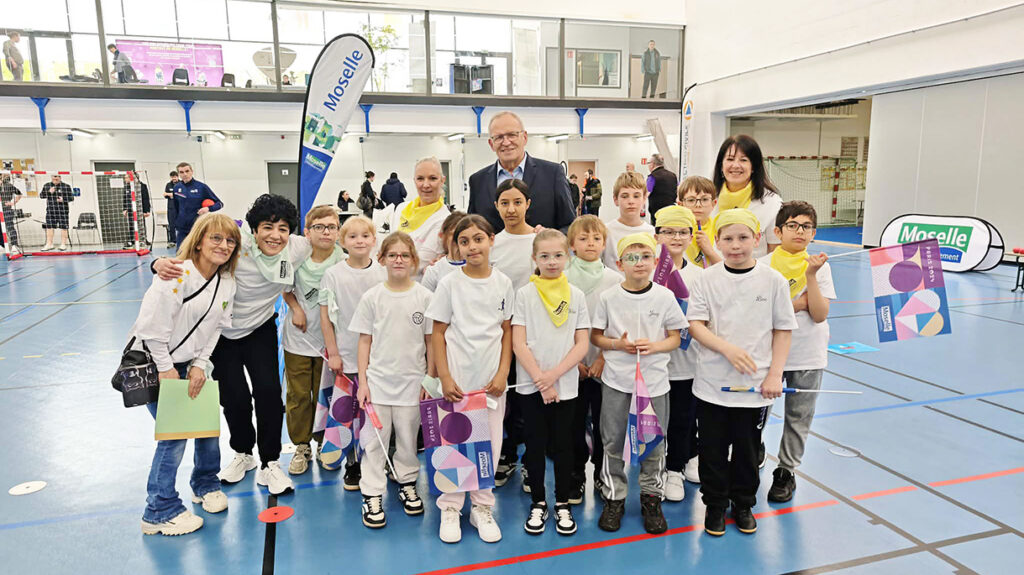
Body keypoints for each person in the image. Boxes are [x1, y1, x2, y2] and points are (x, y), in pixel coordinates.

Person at [154, 195, 311, 496]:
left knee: (268, 393)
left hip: (261, 328)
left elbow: (333, 247)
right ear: (253, 229)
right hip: (220, 333)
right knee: (235, 398)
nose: (275, 235)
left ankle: (270, 461)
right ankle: (243, 454)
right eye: (267, 227)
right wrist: (157, 262)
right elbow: (195, 253)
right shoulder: (236, 243)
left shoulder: (297, 248)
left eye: (283, 229)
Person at [686, 208, 797, 537]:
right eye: (728, 238)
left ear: (758, 239)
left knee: (749, 449)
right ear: (717, 241)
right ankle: (716, 505)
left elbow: (783, 330)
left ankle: (744, 502)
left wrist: (774, 374)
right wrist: (727, 349)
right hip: (711, 385)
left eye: (743, 237)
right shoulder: (707, 279)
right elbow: (696, 325)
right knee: (712, 449)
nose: (736, 245)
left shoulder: (772, 280)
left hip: (755, 388)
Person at [131, 212, 239, 536]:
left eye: (230, 240)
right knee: (174, 436)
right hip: (158, 363)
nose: (223, 245)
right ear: (200, 240)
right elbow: (151, 329)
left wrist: (199, 365)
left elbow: (216, 328)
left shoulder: (227, 282)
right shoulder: (175, 275)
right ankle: (158, 510)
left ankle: (205, 483)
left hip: (193, 363)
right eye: (216, 238)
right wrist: (166, 369)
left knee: (207, 427)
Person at [426, 215, 514, 544]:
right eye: (465, 241)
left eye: (478, 239)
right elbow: (438, 332)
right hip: (458, 383)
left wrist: (503, 371)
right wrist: (444, 376)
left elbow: (506, 332)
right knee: (454, 444)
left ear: (491, 240)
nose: (472, 246)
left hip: (490, 382)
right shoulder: (450, 283)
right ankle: (451, 507)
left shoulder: (503, 283)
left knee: (489, 445)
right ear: (457, 246)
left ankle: (482, 506)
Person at [590, 233, 685, 535]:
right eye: (631, 257)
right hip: (617, 383)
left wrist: (654, 347)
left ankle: (651, 497)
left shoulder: (664, 296)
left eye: (645, 256)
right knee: (613, 440)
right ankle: (614, 497)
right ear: (619, 264)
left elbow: (675, 337)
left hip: (655, 385)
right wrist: (618, 345)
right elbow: (596, 336)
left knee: (654, 444)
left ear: (655, 261)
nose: (639, 262)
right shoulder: (608, 298)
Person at [351, 232, 433, 528]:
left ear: (414, 261)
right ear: (382, 259)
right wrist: (363, 381)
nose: (399, 260)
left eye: (405, 255)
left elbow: (432, 342)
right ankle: (372, 492)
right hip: (378, 385)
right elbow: (364, 342)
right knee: (374, 442)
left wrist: (430, 378)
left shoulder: (425, 297)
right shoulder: (372, 297)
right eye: (393, 255)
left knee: (409, 440)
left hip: (412, 384)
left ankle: (407, 481)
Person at [513, 229, 590, 536]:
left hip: (565, 386)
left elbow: (581, 343)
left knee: (563, 445)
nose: (552, 261)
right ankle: (539, 503)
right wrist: (541, 381)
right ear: (534, 259)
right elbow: (519, 343)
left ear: (567, 256)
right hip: (531, 387)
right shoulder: (524, 294)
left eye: (558, 255)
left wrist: (554, 376)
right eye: (544, 256)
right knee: (534, 444)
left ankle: (561, 503)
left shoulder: (577, 296)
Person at [760, 201, 834, 504]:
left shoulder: (820, 266)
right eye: (792, 225)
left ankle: (786, 471)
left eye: (805, 226)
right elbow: (762, 314)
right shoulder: (762, 266)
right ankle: (752, 458)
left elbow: (818, 313)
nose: (799, 231)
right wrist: (796, 304)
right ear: (778, 231)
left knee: (799, 415)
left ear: (813, 233)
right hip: (768, 354)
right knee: (758, 414)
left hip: (808, 353)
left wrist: (812, 278)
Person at [319, 215, 386, 488]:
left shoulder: (382, 272)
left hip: (380, 357)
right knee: (350, 413)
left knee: (375, 411)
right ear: (341, 241)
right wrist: (333, 352)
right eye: (352, 236)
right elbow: (325, 316)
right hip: (346, 355)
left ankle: (378, 458)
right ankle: (353, 462)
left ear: (374, 240)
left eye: (365, 235)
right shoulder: (333, 275)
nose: (359, 241)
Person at [281, 206, 345, 476]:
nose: (325, 232)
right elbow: (285, 289)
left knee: (325, 395)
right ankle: (301, 446)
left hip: (330, 344)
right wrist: (296, 309)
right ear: (307, 232)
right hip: (298, 339)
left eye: (331, 227)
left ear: (338, 231)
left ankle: (323, 443)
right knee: (298, 395)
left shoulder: (344, 259)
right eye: (319, 227)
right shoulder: (295, 257)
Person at [565, 215, 623, 504]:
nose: (590, 243)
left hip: (604, 367)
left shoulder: (615, 279)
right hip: (571, 368)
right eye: (583, 238)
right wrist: (572, 361)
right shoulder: (560, 277)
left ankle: (601, 473)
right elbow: (557, 325)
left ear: (604, 243)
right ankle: (576, 475)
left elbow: (617, 323)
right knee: (573, 425)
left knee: (605, 425)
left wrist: (602, 357)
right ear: (572, 244)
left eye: (596, 239)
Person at [653, 205, 704, 502]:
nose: (675, 237)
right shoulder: (645, 271)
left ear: (691, 236)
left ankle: (676, 469)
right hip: (653, 363)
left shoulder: (700, 276)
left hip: (686, 363)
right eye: (668, 231)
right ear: (656, 234)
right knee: (656, 422)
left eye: (682, 231)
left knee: (683, 418)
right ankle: (657, 469)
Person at [489, 179, 536, 489]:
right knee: (502, 399)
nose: (511, 209)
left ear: (527, 204)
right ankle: (504, 455)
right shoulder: (492, 243)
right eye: (505, 203)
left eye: (517, 202)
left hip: (535, 333)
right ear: (496, 206)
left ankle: (531, 461)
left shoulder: (542, 239)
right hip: (500, 334)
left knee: (529, 402)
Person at [468, 111, 575, 232]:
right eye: (498, 137)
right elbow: (472, 228)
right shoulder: (477, 181)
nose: (506, 142)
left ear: (524, 137)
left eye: (512, 135)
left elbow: (570, 226)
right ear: (491, 144)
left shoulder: (552, 174)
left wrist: (550, 237)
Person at [711, 135, 783, 258]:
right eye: (730, 159)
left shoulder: (772, 203)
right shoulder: (708, 198)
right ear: (721, 165)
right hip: (712, 274)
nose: (735, 165)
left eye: (743, 160)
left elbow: (775, 253)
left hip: (754, 275)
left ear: (754, 166)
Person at [388, 157, 452, 278]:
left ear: (442, 180)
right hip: (392, 282)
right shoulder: (402, 209)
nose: (426, 185)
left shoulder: (445, 220)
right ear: (414, 180)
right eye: (420, 179)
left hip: (420, 286)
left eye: (433, 178)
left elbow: (420, 262)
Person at [601, 172, 655, 268]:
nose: (631, 201)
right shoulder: (605, 231)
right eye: (625, 196)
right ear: (615, 199)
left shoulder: (653, 233)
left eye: (636, 196)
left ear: (644, 199)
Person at [678, 175, 722, 269]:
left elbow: (727, 268)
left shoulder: (721, 229)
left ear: (713, 203)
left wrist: (710, 252)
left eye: (705, 199)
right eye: (691, 200)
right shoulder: (674, 231)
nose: (698, 205)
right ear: (681, 204)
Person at [173, 162, 222, 241]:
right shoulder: (176, 187)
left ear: (192, 171)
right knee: (180, 253)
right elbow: (176, 207)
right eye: (181, 172)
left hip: (198, 228)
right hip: (181, 229)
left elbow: (219, 204)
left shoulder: (202, 187)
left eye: (187, 171)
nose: (185, 174)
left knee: (197, 253)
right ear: (178, 174)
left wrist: (208, 208)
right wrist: (175, 223)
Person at [421, 211, 467, 292]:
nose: (459, 238)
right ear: (442, 235)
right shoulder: (433, 271)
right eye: (454, 234)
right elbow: (425, 302)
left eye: (463, 234)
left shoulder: (479, 265)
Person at [39, 174, 74, 251]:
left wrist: (63, 199)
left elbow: (71, 198)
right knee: (49, 227)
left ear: (60, 177)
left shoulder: (66, 186)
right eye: (54, 177)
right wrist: (49, 192)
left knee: (64, 227)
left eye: (57, 177)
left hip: (63, 210)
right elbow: (41, 196)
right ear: (51, 177)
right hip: (51, 210)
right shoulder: (47, 185)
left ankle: (63, 244)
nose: (55, 178)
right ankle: (49, 244)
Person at [122, 173, 151, 249]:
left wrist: (147, 210)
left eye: (126, 178)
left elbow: (146, 198)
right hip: (131, 209)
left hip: (140, 209)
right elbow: (125, 198)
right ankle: (132, 241)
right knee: (131, 225)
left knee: (141, 225)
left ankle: (143, 240)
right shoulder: (127, 187)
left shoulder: (142, 186)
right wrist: (124, 209)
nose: (125, 179)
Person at [647, 154, 678, 225]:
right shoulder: (673, 176)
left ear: (652, 164)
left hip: (657, 213)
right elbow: (678, 190)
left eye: (648, 163)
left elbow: (646, 193)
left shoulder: (652, 177)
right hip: (671, 211)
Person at [0, 175, 22, 255]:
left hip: (7, 210)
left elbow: (19, 194)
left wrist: (13, 202)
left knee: (10, 227)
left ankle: (14, 245)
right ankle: (2, 245)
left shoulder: (8, 185)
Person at [163, 171, 179, 247]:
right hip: (171, 207)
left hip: (180, 207)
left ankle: (182, 240)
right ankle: (173, 241)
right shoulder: (168, 185)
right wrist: (171, 195)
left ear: (177, 176)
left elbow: (181, 194)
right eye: (172, 177)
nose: (174, 178)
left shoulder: (181, 184)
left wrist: (172, 194)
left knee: (181, 224)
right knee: (171, 224)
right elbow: (165, 195)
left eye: (175, 177)